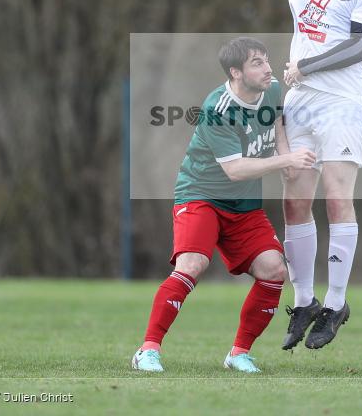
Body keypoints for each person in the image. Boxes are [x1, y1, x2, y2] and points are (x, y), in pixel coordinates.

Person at [177, 0, 362, 350]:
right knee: (294, 203)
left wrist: (305, 66)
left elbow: (360, 46)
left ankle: (335, 304)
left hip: (341, 105)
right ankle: (306, 300)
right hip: (299, 105)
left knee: (336, 200)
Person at [131, 37, 316, 373]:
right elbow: (236, 169)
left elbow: (276, 124)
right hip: (201, 196)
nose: (268, 68)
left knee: (274, 270)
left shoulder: (273, 90)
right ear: (235, 72)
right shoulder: (218, 110)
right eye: (257, 63)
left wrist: (284, 154)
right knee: (192, 264)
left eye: (266, 60)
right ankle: (147, 350)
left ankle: (239, 353)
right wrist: (286, 160)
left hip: (243, 207)